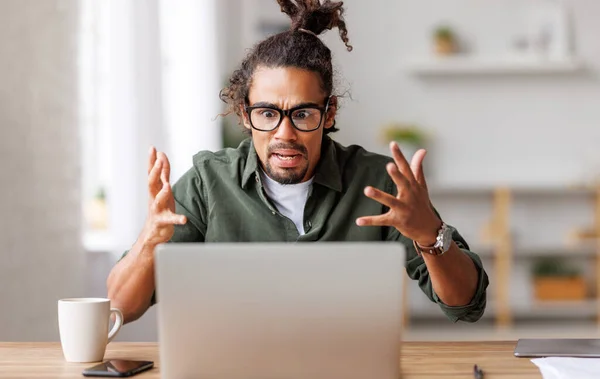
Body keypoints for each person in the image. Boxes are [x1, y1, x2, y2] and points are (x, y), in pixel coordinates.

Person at [107, 0, 488, 325]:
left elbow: (466, 304)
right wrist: (150, 241)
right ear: (245, 114)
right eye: (268, 113)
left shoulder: (379, 182)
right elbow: (120, 307)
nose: (284, 134)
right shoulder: (209, 182)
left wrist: (429, 236)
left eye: (303, 114)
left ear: (329, 111)